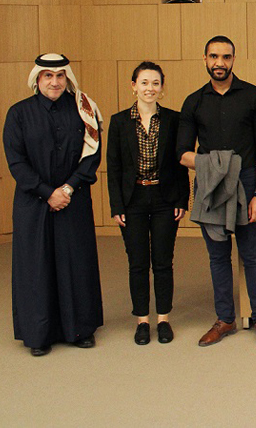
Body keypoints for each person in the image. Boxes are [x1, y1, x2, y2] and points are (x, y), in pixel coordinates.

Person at [177, 35, 256, 347]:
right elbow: (181, 153)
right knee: (217, 256)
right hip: (210, 184)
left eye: (226, 57)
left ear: (234, 59)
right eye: (214, 57)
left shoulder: (255, 97)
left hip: (247, 183)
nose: (220, 63)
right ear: (204, 59)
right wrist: (216, 165)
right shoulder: (193, 101)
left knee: (252, 254)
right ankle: (225, 319)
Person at [2, 53, 104, 356]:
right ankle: (39, 334)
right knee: (37, 266)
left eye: (60, 76)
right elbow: (16, 161)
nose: (55, 82)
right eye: (48, 76)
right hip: (33, 203)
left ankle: (80, 329)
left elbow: (92, 154)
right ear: (37, 78)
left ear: (67, 78)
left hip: (74, 199)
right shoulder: (18, 113)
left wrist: (69, 188)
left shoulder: (84, 111)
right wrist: (48, 192)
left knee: (76, 263)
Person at [106, 62, 190, 346]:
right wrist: (116, 205)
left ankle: (163, 319)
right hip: (133, 201)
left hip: (166, 199)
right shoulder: (119, 122)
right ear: (133, 86)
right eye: (144, 83)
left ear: (162, 88)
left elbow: (180, 164)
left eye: (155, 83)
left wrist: (182, 199)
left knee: (164, 261)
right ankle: (142, 321)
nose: (149, 88)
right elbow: (114, 168)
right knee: (138, 263)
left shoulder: (173, 119)